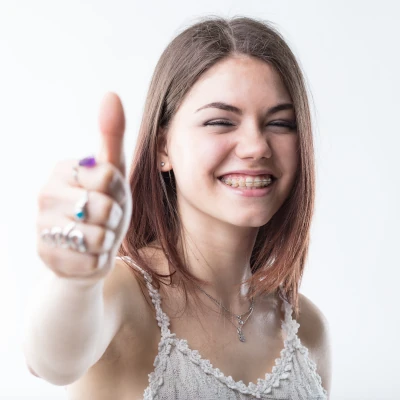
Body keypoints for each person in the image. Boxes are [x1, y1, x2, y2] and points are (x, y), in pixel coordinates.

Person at [23, 16, 332, 399]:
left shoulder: (308, 328)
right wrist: (73, 280)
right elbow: (51, 360)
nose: (256, 146)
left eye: (281, 123)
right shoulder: (122, 295)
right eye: (221, 121)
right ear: (162, 147)